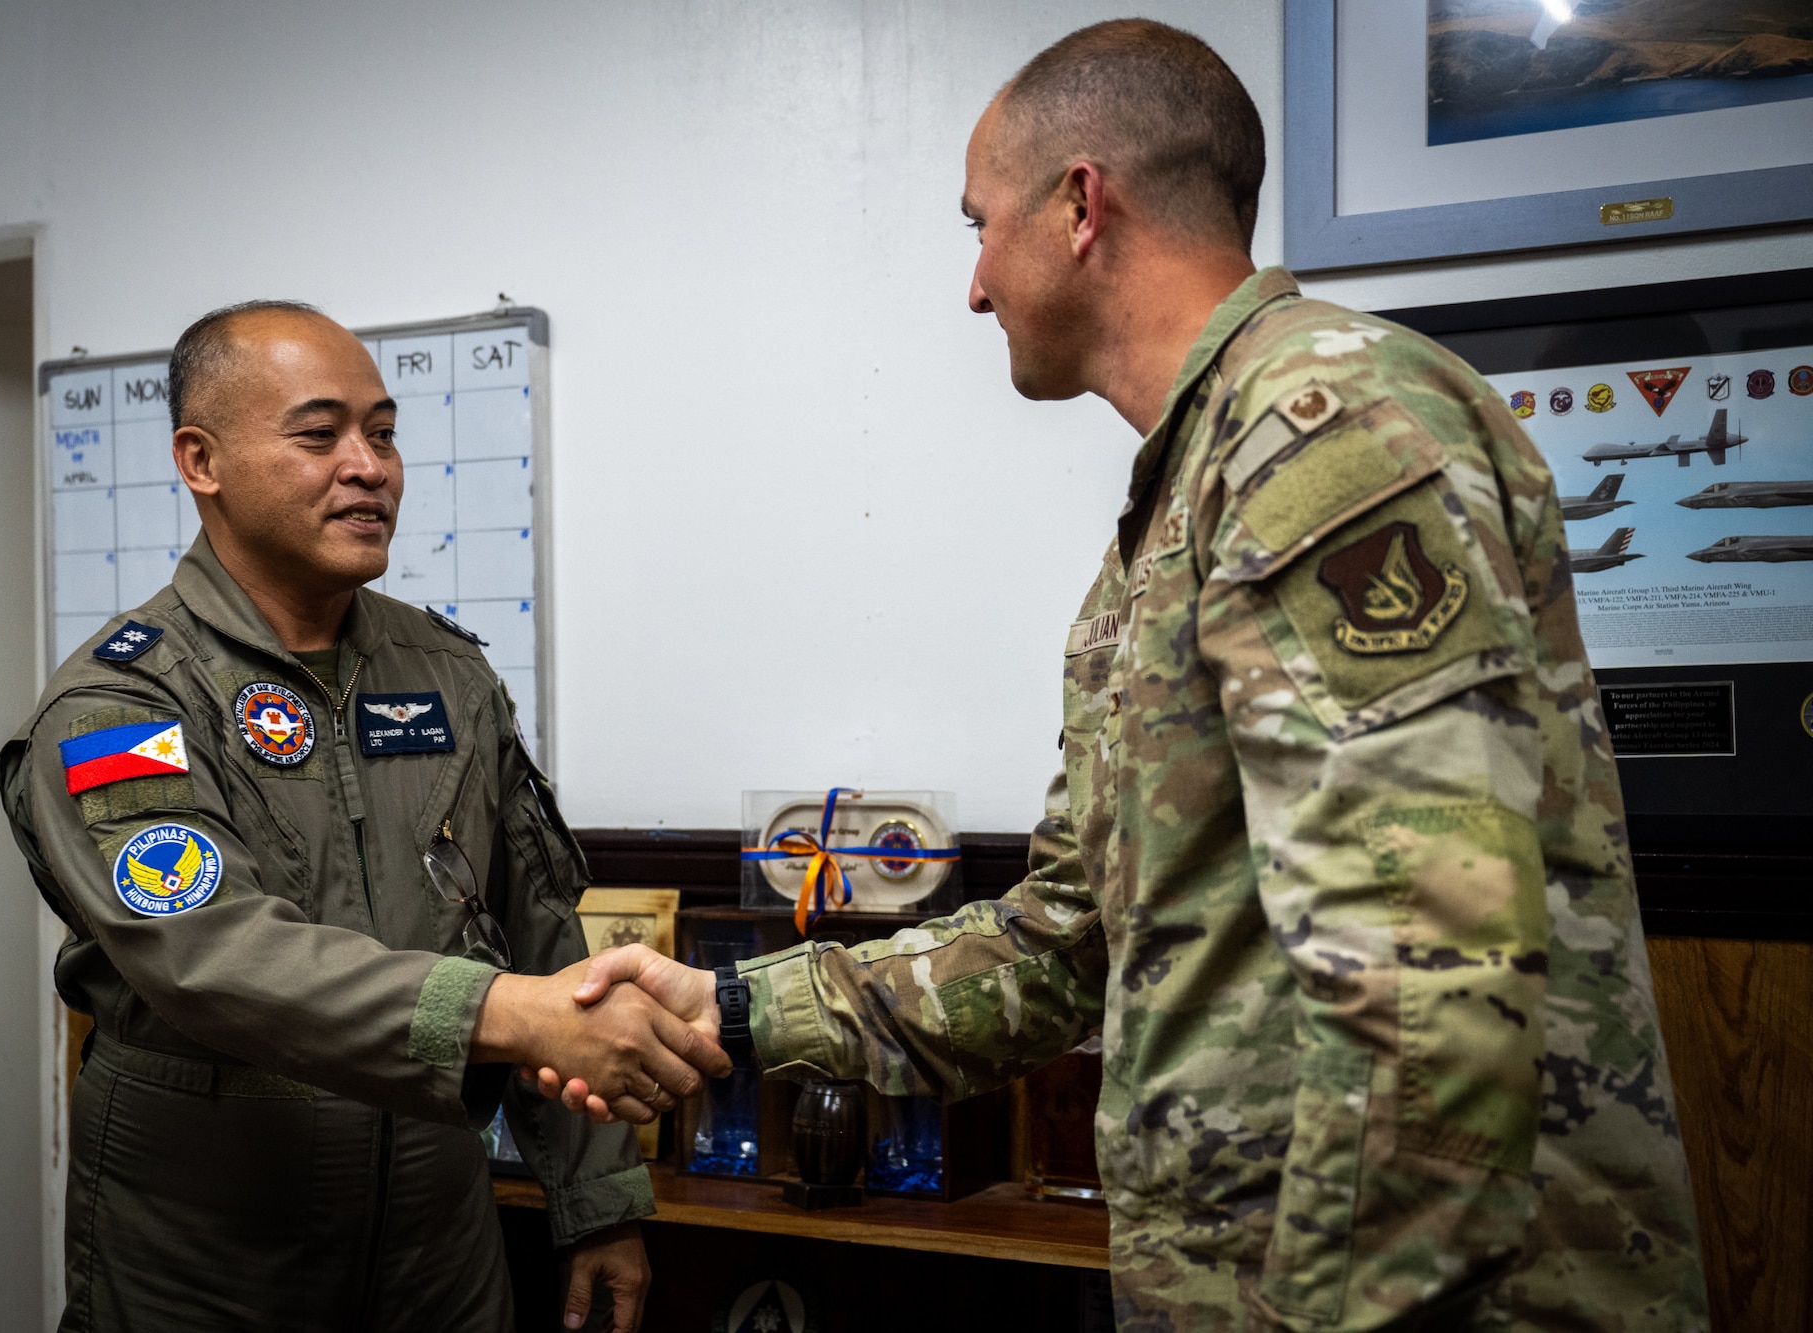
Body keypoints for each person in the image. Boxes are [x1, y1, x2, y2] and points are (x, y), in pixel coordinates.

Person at [549, 21, 1709, 1330]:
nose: (975, 285)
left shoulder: (1324, 429)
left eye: (980, 225)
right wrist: (733, 1006)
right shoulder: (1170, 515)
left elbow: (1430, 962)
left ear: (1080, 204)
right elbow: (1060, 946)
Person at [0, 301, 728, 1333]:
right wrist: (507, 1015)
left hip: (438, 1235)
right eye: (320, 432)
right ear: (200, 460)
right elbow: (212, 952)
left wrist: (594, 1200)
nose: (370, 466)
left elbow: (539, 934)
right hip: (208, 1254)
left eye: (382, 433)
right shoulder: (123, 707)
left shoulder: (446, 672)